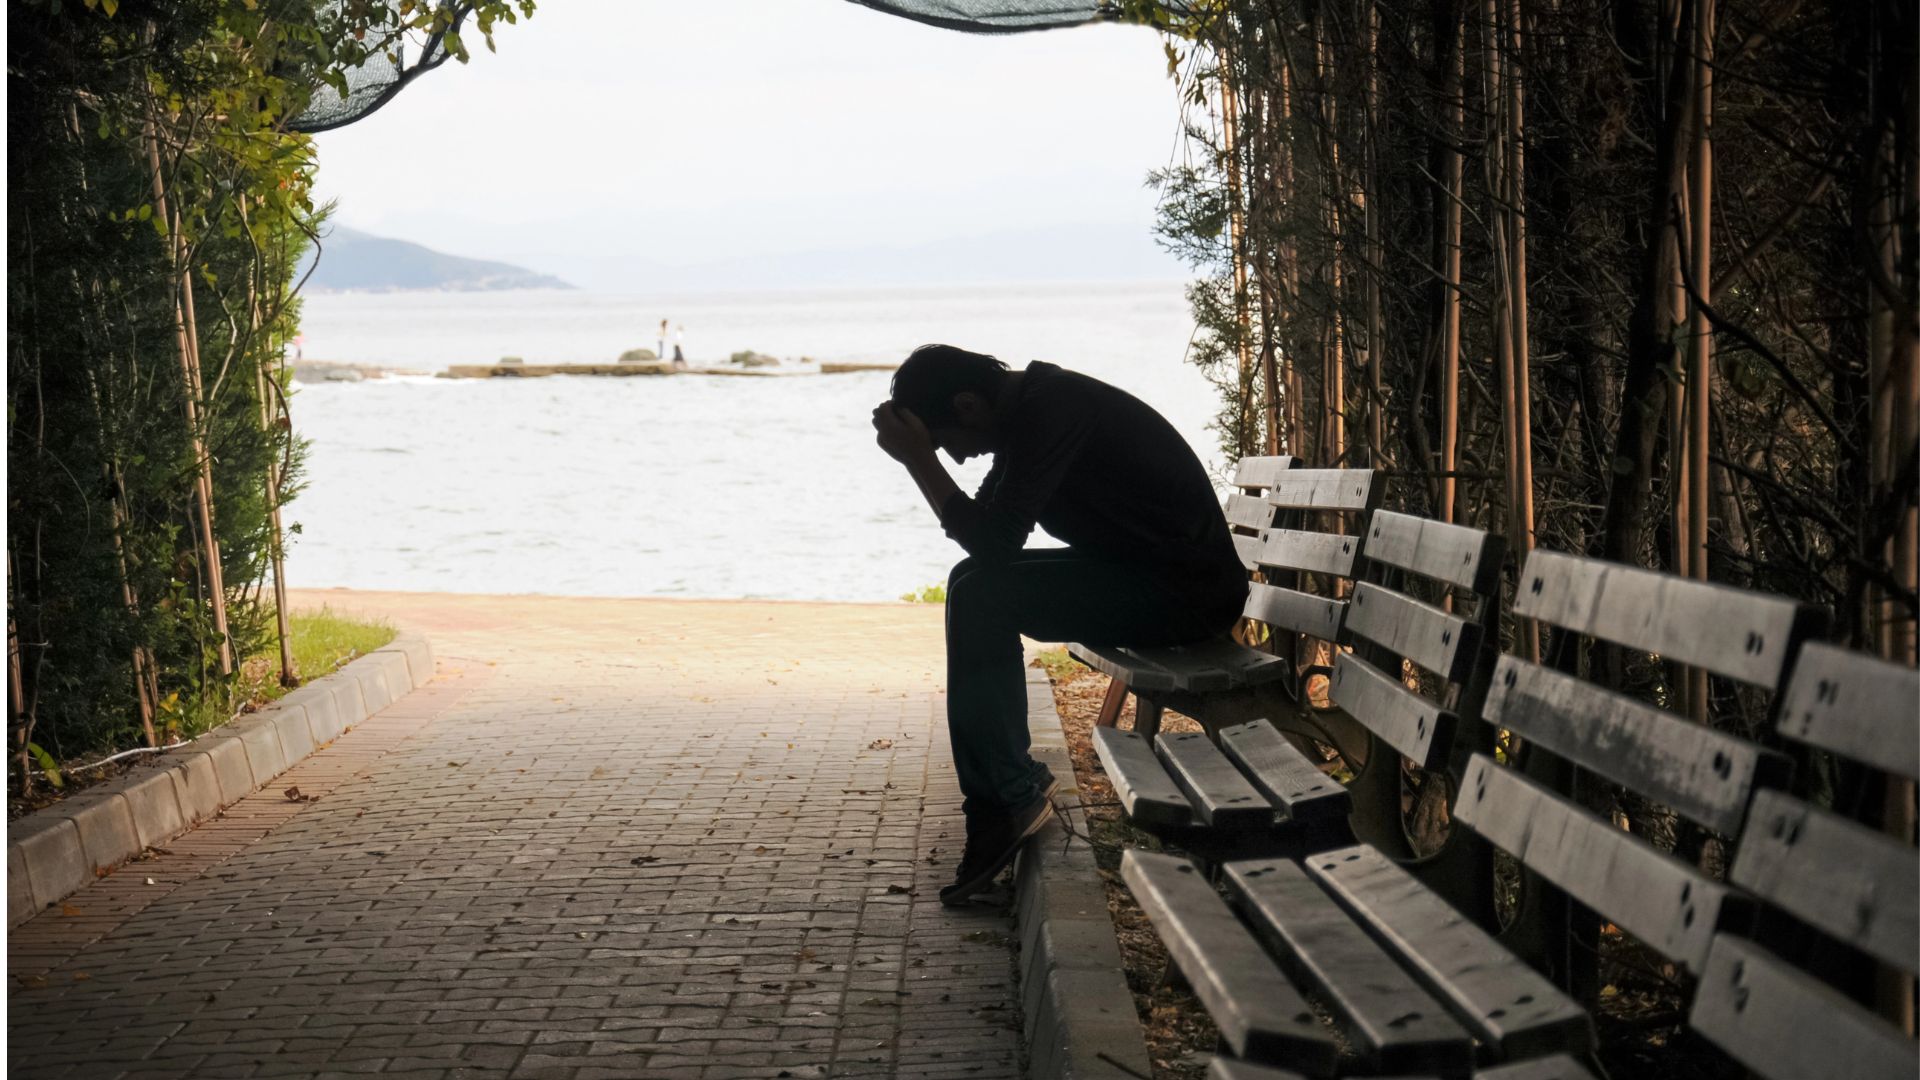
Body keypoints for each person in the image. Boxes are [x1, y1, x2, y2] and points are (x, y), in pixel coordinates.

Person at [871, 344, 1247, 904]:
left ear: (969, 405)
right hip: (1153, 577)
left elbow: (993, 540)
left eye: (946, 444)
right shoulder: (1032, 409)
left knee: (981, 595)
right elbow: (986, 537)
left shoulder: (1053, 410)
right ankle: (1007, 790)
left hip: (1188, 594)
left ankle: (1002, 803)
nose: (955, 457)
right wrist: (922, 455)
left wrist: (917, 462)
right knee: (970, 581)